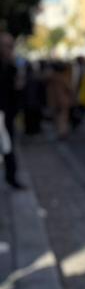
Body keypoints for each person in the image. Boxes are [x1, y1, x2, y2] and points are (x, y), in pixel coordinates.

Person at [0, 33, 22, 189]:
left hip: (7, 113)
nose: (10, 49)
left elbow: (16, 90)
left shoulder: (11, 66)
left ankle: (11, 177)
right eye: (7, 46)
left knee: (8, 147)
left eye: (11, 45)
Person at [45, 61, 74, 140]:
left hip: (53, 101)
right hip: (63, 100)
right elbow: (69, 88)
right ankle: (62, 132)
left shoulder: (50, 78)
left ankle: (59, 131)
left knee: (57, 117)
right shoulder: (63, 78)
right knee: (63, 117)